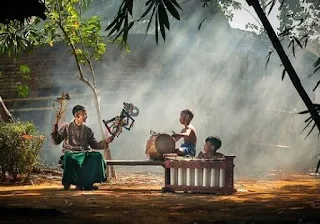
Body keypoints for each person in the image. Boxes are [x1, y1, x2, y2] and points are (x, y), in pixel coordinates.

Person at [51, 105, 113, 190]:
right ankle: (70, 182)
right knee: (68, 157)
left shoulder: (88, 130)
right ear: (77, 116)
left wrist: (105, 142)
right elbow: (56, 141)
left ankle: (88, 182)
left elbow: (94, 145)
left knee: (97, 156)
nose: (86, 116)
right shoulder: (66, 127)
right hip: (71, 152)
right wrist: (55, 134)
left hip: (84, 153)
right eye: (84, 114)